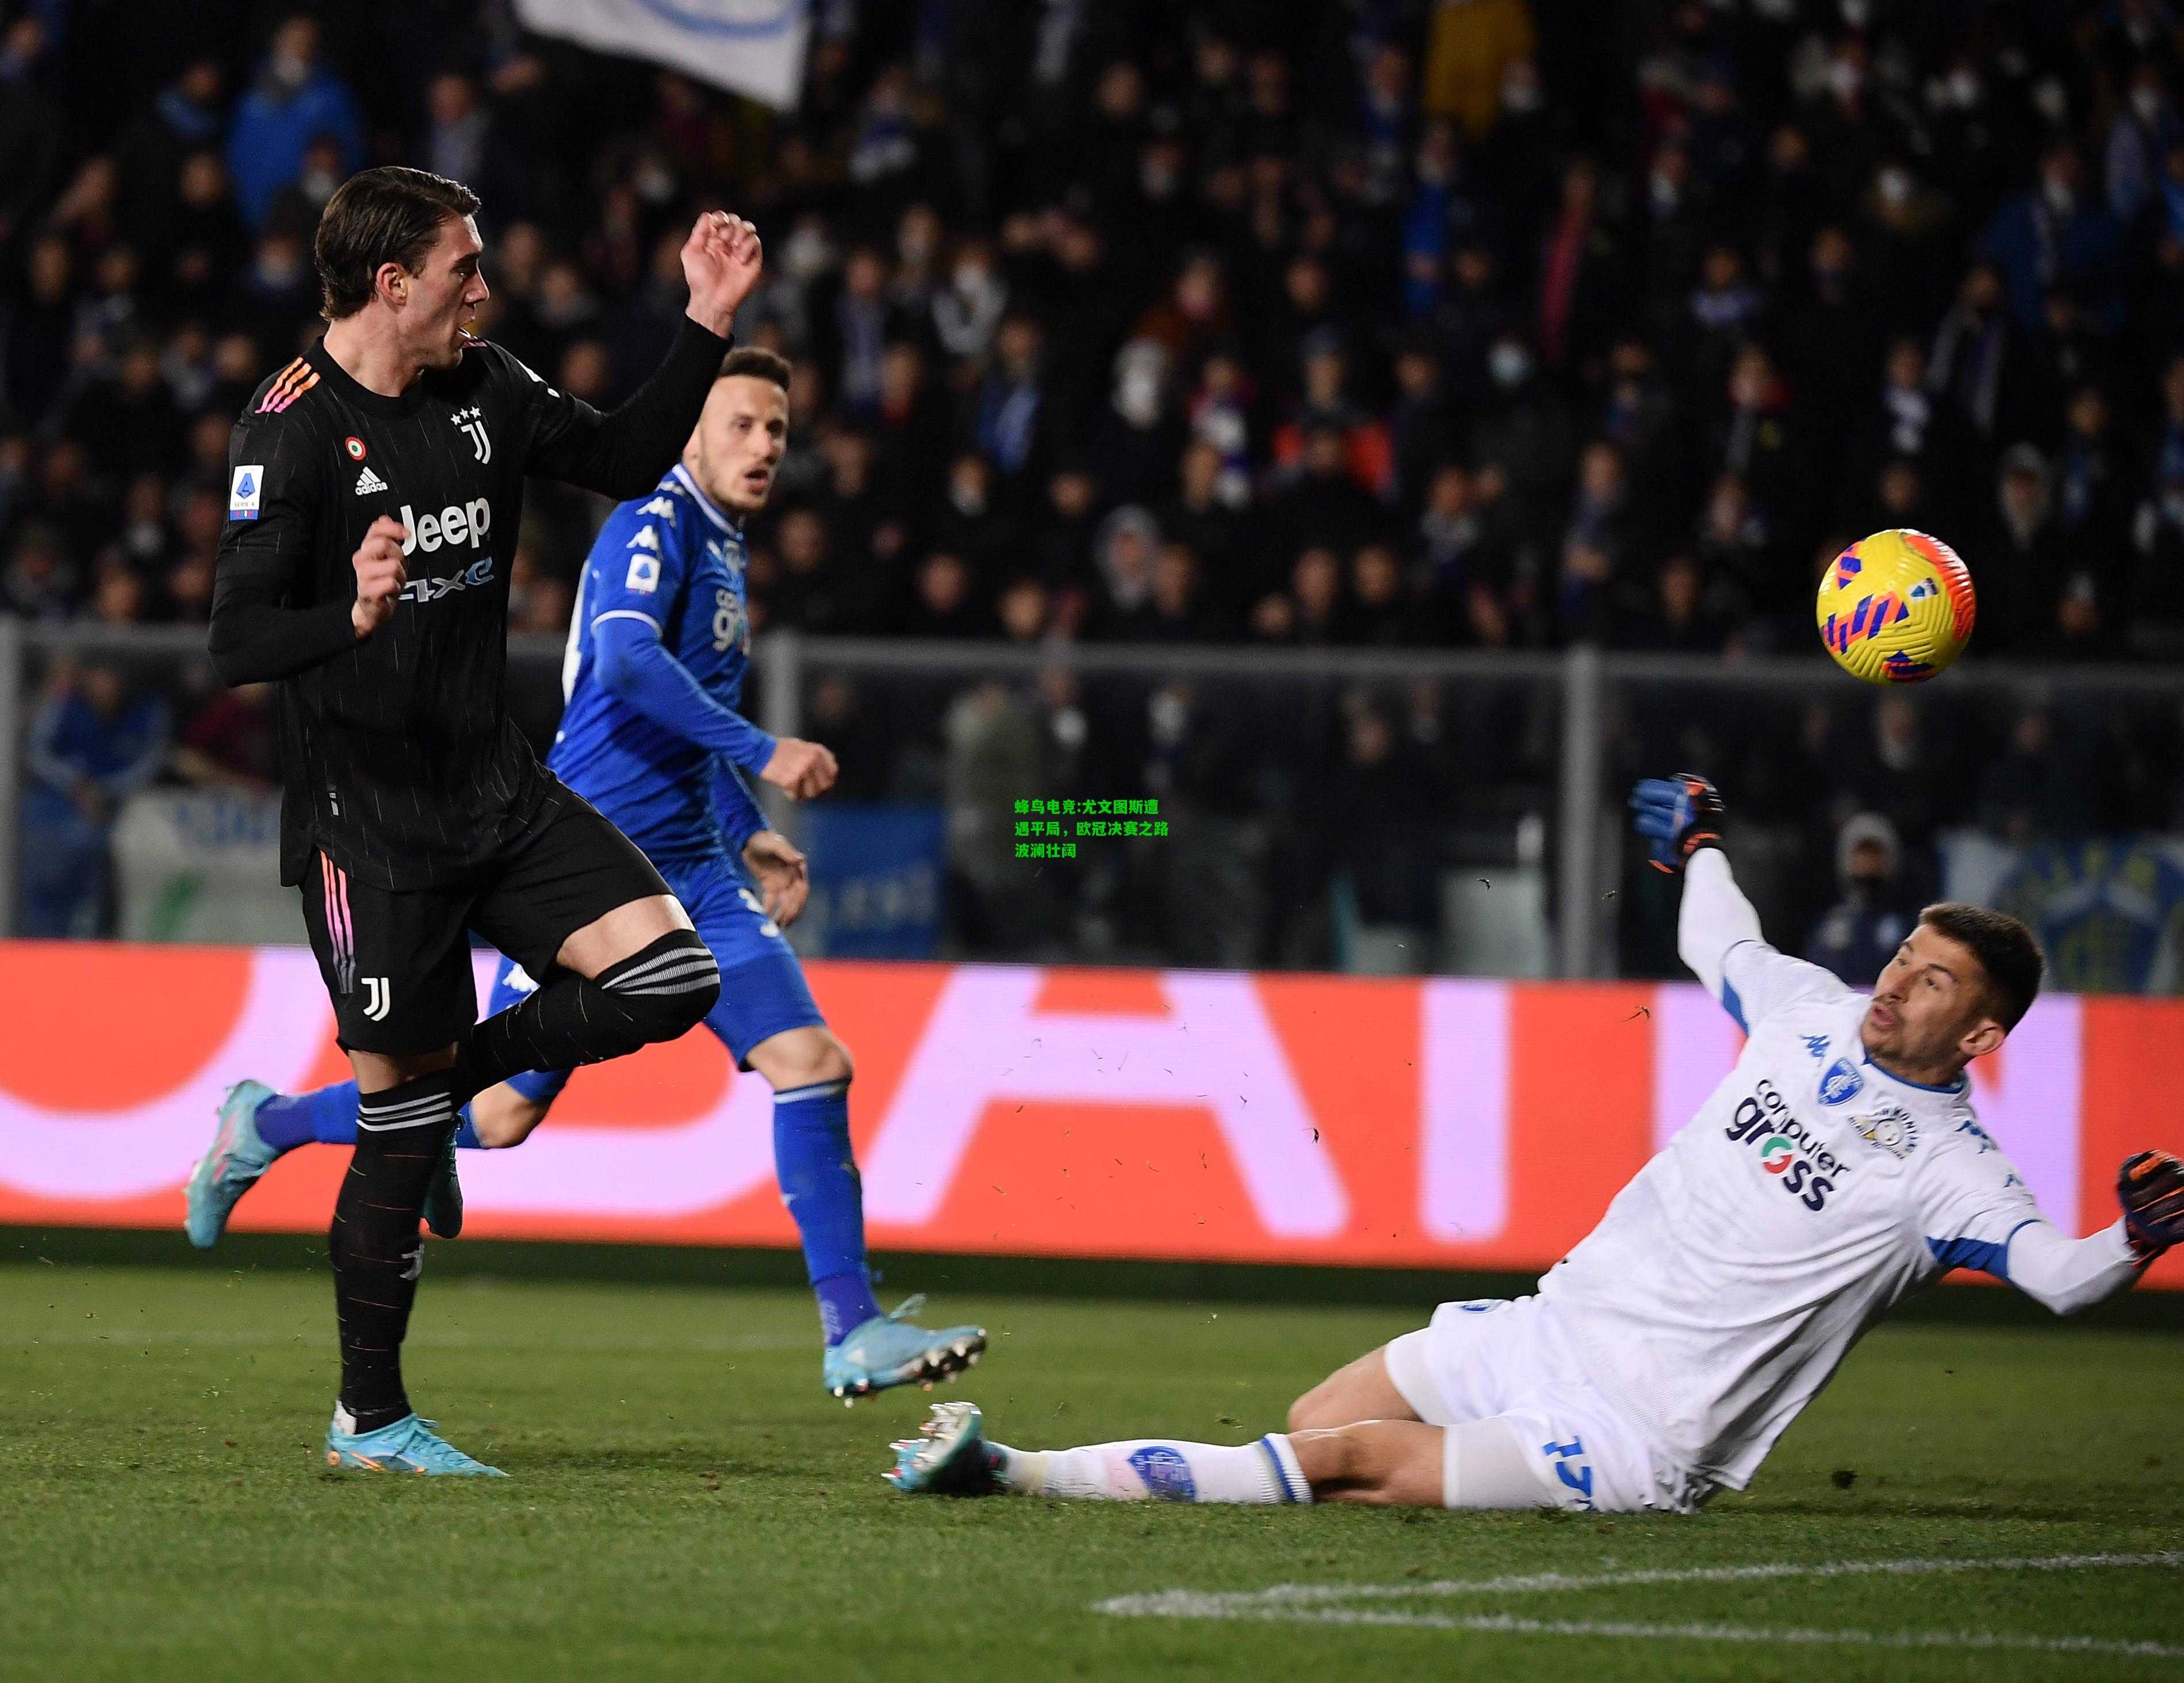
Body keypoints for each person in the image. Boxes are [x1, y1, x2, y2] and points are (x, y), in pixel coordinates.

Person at [882, 774, 2182, 1511]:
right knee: (1315, 1417)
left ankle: (1014, 1470)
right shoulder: (1811, 1011)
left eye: (1938, 981)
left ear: (1983, 1036)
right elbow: (1713, 937)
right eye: (1907, 953)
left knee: (1343, 1464)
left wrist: (2132, 1235)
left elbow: (2061, 1277)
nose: (1899, 980)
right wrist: (1706, 844)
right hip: (1550, 1326)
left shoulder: (1951, 1174)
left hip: (1638, 1427)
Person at [188, 346, 986, 1405]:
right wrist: (761, 751)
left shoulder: (723, 544)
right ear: (692, 432)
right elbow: (621, 662)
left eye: (777, 432)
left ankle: (853, 1330)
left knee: (813, 1060)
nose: (762, 447)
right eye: (741, 424)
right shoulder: (651, 522)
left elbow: (673, 717)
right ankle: (269, 1122)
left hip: (696, 867)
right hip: (585, 871)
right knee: (496, 1117)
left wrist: (745, 825)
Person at [194, 166, 763, 1477]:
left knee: (672, 974)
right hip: (370, 830)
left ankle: (422, 1085)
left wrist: (705, 321)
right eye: (465, 269)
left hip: (501, 796)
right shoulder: (283, 431)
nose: (486, 290)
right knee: (398, 1137)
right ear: (393, 285)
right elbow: (231, 641)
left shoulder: (488, 389)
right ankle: (368, 1422)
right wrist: (346, 615)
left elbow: (623, 456)